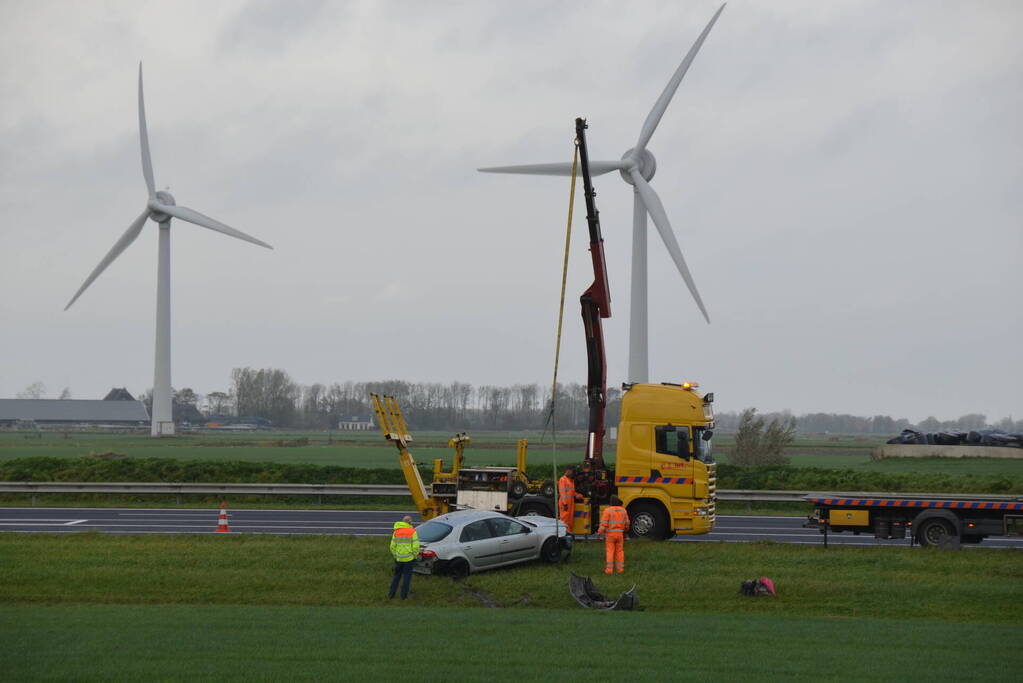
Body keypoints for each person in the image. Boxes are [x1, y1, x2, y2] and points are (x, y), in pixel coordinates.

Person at [388, 515, 420, 600]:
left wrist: (396, 555)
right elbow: (416, 546)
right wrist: (414, 555)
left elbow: (392, 546)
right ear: (410, 522)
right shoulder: (412, 531)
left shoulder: (396, 532)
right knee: (406, 578)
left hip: (398, 559)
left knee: (396, 577)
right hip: (409, 559)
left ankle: (391, 595)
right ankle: (404, 596)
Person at [597, 495, 630, 574]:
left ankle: (609, 570)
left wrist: (599, 533)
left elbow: (604, 524)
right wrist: (625, 530)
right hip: (620, 534)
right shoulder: (623, 511)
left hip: (610, 535)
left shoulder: (608, 511)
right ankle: (620, 570)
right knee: (620, 551)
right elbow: (627, 523)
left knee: (610, 552)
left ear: (610, 502)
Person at [557, 466, 584, 531]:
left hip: (570, 503)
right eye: (572, 471)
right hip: (565, 504)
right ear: (568, 471)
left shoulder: (571, 481)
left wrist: (579, 495)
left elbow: (572, 492)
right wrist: (565, 503)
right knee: (565, 519)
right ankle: (564, 535)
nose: (573, 473)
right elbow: (562, 493)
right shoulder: (563, 479)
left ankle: (568, 534)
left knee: (569, 520)